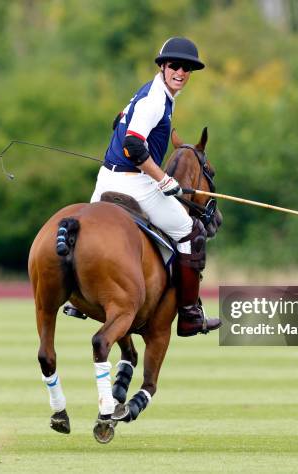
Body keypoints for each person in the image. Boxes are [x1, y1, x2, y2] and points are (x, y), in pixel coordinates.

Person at [70, 37, 221, 337]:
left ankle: (77, 297)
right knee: (192, 233)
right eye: (175, 65)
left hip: (105, 181)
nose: (181, 72)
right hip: (135, 183)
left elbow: (118, 124)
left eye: (187, 68)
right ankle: (190, 315)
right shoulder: (155, 100)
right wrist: (164, 179)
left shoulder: (148, 93)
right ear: (163, 66)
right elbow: (134, 145)